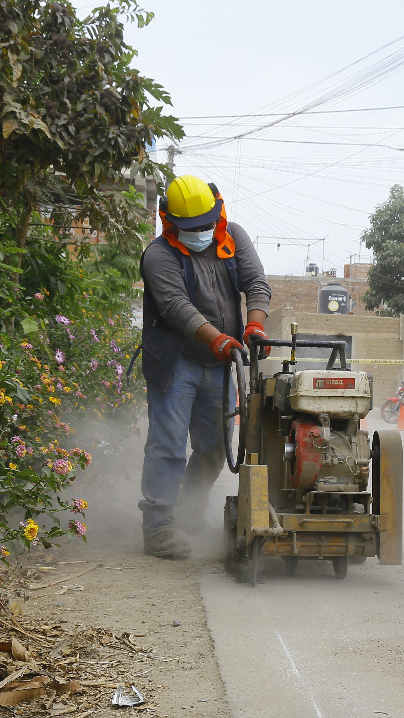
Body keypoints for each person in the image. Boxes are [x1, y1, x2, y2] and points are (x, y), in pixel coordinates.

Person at [138, 175, 272, 560]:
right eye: (193, 228)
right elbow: (178, 308)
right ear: (172, 222)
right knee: (168, 445)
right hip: (176, 363)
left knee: (215, 449)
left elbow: (256, 283)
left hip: (220, 365)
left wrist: (255, 325)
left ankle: (189, 513)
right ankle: (159, 527)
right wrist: (218, 339)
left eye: (207, 224)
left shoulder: (233, 236)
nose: (202, 232)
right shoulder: (159, 255)